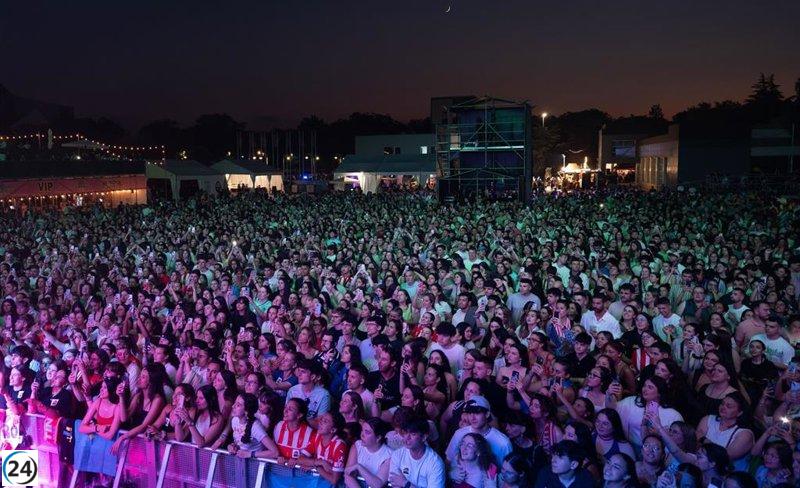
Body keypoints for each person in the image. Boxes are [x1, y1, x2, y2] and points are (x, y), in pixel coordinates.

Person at [446, 395, 513, 468]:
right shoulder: (459, 434)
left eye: (477, 412)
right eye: (469, 413)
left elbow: (508, 472)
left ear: (487, 414)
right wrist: (453, 473)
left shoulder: (503, 443)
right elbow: (448, 461)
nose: (472, 417)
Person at [388, 416, 446, 488]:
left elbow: (401, 483)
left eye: (413, 434)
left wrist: (406, 484)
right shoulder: (397, 455)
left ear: (424, 437)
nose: (407, 438)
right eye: (405, 433)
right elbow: (394, 482)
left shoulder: (435, 463)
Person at [343, 417, 392, 488]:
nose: (362, 435)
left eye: (367, 432)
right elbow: (347, 475)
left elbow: (378, 484)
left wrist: (359, 467)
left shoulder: (389, 455)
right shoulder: (357, 445)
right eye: (362, 430)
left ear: (378, 438)